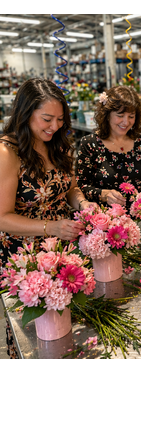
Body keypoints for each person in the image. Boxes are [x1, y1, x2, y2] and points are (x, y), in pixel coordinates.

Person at [0, 78, 95, 358]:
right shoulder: (8, 153)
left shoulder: (59, 144)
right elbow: (2, 217)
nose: (54, 126)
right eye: (46, 119)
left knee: (69, 329)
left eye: (60, 119)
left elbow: (70, 188)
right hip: (24, 258)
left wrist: (83, 203)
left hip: (61, 246)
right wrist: (49, 227)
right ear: (25, 113)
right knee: (36, 334)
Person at [76, 85, 141, 209]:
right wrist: (104, 194)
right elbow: (80, 186)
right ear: (107, 114)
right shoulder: (90, 144)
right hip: (104, 220)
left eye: (131, 116)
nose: (126, 122)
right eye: (120, 116)